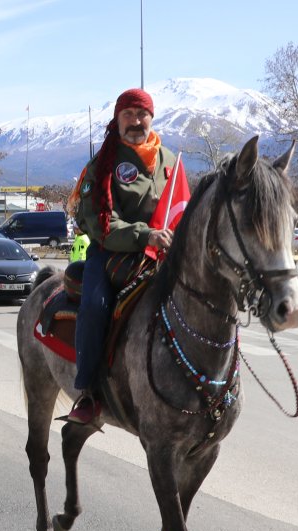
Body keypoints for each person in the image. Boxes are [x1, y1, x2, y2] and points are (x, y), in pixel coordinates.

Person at [67, 88, 175, 424]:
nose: (135, 121)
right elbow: (97, 222)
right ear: (117, 119)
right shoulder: (104, 164)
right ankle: (86, 391)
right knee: (96, 305)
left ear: (152, 118)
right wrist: (144, 235)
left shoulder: (171, 162)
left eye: (142, 114)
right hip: (111, 253)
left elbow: (180, 208)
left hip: (162, 253)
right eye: (128, 114)